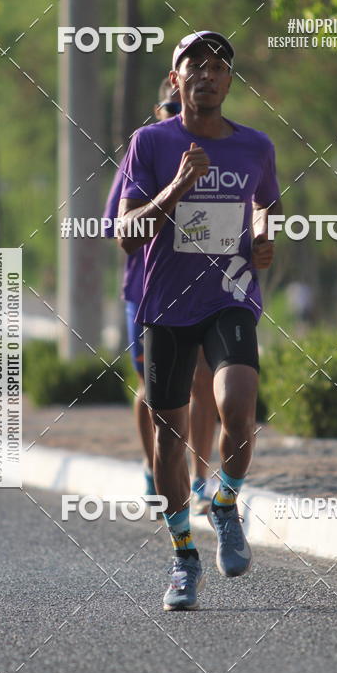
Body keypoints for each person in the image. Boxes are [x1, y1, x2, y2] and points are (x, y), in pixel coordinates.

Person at [118, 30, 282, 611]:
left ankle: (227, 502)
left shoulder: (255, 146)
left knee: (239, 406)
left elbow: (266, 203)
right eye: (196, 65)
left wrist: (262, 236)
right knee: (171, 439)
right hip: (166, 305)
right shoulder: (151, 142)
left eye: (219, 67)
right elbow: (125, 232)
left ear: (230, 82)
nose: (208, 74)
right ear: (175, 78)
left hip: (230, 295)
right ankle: (184, 554)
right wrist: (179, 186)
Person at [104, 79, 218, 509]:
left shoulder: (214, 154)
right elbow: (118, 226)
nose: (176, 113)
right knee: (152, 390)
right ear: (159, 110)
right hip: (147, 290)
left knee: (203, 379)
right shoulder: (145, 152)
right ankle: (154, 469)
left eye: (182, 106)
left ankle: (200, 476)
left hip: (202, 287)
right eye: (170, 106)